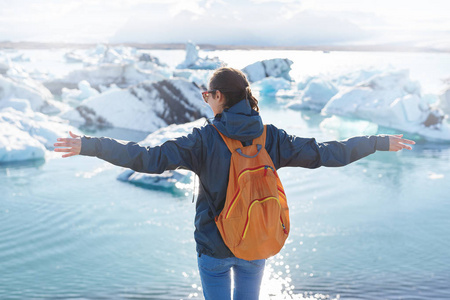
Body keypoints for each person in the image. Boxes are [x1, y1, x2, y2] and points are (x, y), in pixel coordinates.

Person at [54, 67, 415, 300]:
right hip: (256, 243)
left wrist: (91, 145)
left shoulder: (201, 140)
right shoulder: (271, 137)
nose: (206, 100)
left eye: (207, 95)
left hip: (213, 248)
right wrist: (378, 142)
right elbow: (326, 153)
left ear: (219, 97)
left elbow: (146, 159)